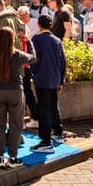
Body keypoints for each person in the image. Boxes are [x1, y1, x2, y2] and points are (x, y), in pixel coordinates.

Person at [0, 27, 34, 169]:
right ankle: (13, 157)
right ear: (13, 40)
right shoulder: (17, 55)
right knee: (16, 125)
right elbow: (34, 58)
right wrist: (28, 41)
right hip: (16, 91)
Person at [28, 14, 66, 153]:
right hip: (55, 78)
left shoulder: (36, 39)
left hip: (42, 79)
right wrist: (61, 79)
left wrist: (33, 72)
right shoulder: (57, 40)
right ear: (51, 25)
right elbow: (63, 62)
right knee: (53, 106)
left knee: (43, 110)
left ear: (38, 25)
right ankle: (57, 132)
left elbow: (34, 59)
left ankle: (45, 141)